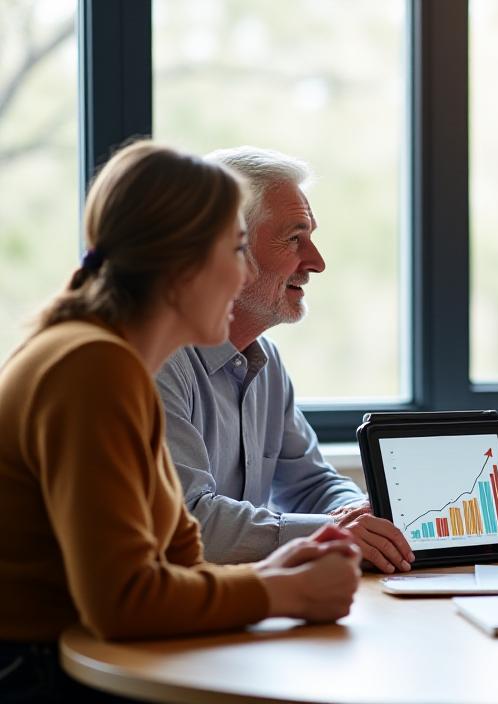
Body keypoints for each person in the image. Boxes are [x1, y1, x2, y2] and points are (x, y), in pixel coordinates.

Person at [0, 142, 362, 702]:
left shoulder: (114, 359)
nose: (243, 274)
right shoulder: (93, 367)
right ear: (183, 265)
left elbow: (179, 562)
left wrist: (273, 574)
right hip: (43, 674)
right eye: (236, 249)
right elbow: (123, 602)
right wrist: (285, 594)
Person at [155, 147, 414, 573]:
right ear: (225, 247)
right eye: (294, 238)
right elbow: (188, 520)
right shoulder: (158, 360)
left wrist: (361, 515)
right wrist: (331, 533)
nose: (317, 262)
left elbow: (310, 483)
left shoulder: (265, 360)